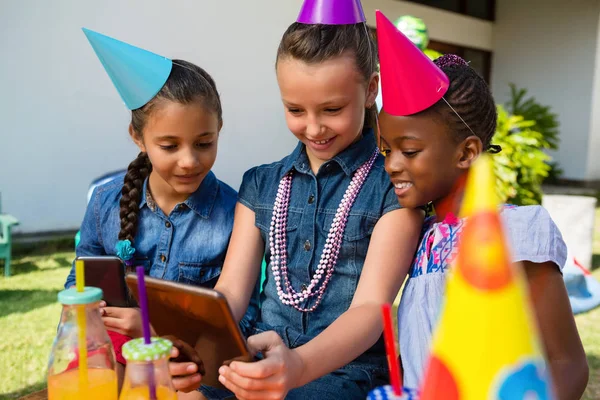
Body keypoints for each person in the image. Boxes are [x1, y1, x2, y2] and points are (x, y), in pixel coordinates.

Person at [375, 12, 589, 399]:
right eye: (386, 149)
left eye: (408, 150)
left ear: (467, 151)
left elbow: (568, 363)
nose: (391, 164)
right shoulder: (416, 240)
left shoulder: (517, 232)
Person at [65, 28, 258, 392]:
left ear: (219, 129)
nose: (189, 161)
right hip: (116, 353)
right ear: (137, 137)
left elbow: (240, 321)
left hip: (192, 368)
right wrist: (88, 312)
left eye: (204, 143)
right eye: (169, 146)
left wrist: (153, 330)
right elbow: (81, 277)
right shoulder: (105, 203)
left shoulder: (237, 214)